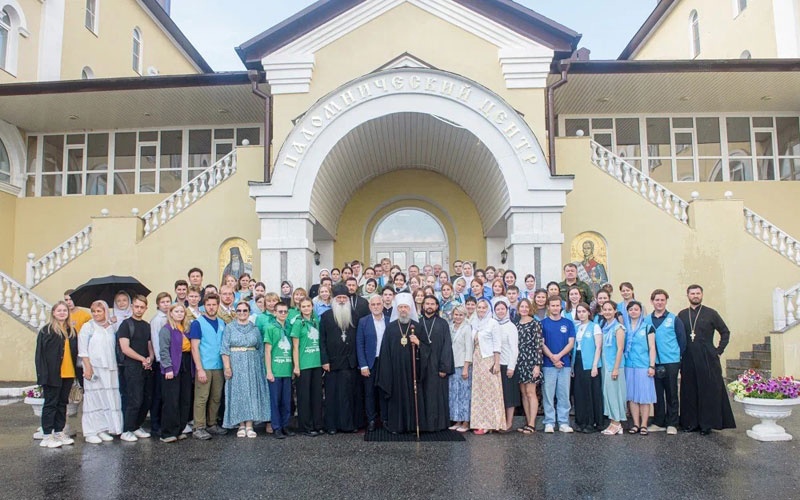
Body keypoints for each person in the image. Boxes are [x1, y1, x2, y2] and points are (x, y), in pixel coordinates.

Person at [677, 285, 736, 435]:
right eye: (692, 293)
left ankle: (706, 424)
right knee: (689, 390)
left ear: (702, 295)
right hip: (688, 357)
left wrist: (718, 351)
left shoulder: (711, 313)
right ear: (687, 295)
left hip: (707, 358)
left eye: (698, 293)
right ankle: (690, 423)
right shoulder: (682, 314)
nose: (695, 296)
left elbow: (725, 332)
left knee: (707, 391)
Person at [221, 301, 269, 439]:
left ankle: (250, 424)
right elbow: (224, 349)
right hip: (236, 363)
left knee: (251, 393)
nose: (242, 313)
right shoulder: (229, 328)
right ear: (236, 312)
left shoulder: (254, 328)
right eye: (239, 310)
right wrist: (227, 367)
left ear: (249, 312)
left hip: (252, 364)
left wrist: (260, 368)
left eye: (245, 310)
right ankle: (241, 424)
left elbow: (260, 348)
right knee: (238, 393)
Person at [319, 284, 363, 434]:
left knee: (349, 395)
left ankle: (349, 424)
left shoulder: (355, 316)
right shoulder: (326, 317)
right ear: (334, 299)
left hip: (350, 362)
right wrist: (324, 360)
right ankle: (332, 426)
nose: (343, 300)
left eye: (345, 298)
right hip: (332, 363)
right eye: (340, 298)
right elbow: (322, 340)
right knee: (332, 395)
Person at [375, 293, 421, 434]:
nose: (403, 310)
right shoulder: (391, 328)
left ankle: (412, 426)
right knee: (395, 398)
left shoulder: (417, 327)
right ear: (397, 309)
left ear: (410, 309)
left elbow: (425, 350)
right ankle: (396, 426)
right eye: (400, 307)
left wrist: (418, 344)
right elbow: (385, 351)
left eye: (405, 307)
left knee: (412, 397)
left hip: (412, 370)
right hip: (395, 370)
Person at [78, 300, 123, 444]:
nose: (96, 314)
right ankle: (91, 431)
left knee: (107, 397)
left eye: (99, 311)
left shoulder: (110, 327)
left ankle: (104, 428)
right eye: (94, 311)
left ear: (105, 311)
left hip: (110, 367)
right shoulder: (88, 327)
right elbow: (83, 350)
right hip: (94, 368)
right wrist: (88, 367)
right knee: (93, 399)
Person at [35, 301, 78, 448]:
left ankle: (59, 432)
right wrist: (42, 375)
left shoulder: (71, 331)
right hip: (52, 374)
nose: (62, 313)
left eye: (64, 310)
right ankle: (47, 435)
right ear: (53, 313)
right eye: (59, 310)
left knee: (62, 404)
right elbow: (39, 355)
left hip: (68, 373)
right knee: (50, 404)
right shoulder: (46, 331)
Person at [645, 289, 686, 435]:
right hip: (654, 363)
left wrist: (677, 358)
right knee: (656, 393)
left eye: (662, 300)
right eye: (657, 300)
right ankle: (658, 421)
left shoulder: (674, 319)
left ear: (666, 301)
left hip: (671, 362)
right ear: (652, 302)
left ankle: (672, 423)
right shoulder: (647, 320)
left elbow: (682, 341)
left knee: (671, 392)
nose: (659, 302)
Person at [189, 293, 228, 440]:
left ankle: (212, 423)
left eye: (214, 305)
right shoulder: (197, 323)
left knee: (216, 397)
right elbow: (194, 347)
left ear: (218, 306)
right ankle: (199, 427)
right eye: (208, 305)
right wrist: (199, 369)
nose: (211, 307)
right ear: (204, 306)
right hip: (205, 365)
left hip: (218, 366)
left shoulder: (222, 323)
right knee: (201, 397)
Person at [118, 295, 154, 442]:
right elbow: (125, 348)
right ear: (132, 307)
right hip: (131, 367)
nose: (139, 309)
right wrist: (142, 359)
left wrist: (150, 358)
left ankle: (136, 426)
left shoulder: (146, 325)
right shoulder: (126, 325)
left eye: (142, 307)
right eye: (137, 306)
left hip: (146, 367)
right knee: (135, 399)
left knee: (146, 399)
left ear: (146, 308)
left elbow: (149, 344)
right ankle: (126, 429)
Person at [417, 295, 455, 431]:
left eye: (432, 304)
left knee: (437, 396)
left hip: (438, 366)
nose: (429, 306)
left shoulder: (443, 323)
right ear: (423, 306)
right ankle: (424, 425)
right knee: (424, 396)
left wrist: (444, 367)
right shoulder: (418, 323)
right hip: (422, 367)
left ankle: (437, 425)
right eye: (427, 303)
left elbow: (447, 346)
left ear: (437, 306)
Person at [158, 303, 194, 443]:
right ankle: (167, 432)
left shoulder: (185, 328)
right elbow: (164, 350)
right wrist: (168, 368)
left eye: (182, 312)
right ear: (171, 313)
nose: (179, 314)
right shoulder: (166, 329)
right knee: (171, 400)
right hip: (173, 365)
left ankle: (179, 429)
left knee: (184, 399)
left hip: (185, 363)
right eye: (176, 311)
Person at [468, 298, 505, 434]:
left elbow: (497, 344)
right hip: (477, 359)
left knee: (491, 392)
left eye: (484, 307)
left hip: (489, 359)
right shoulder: (474, 323)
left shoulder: (492, 323)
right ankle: (480, 422)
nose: (481, 310)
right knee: (479, 392)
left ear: (488, 309)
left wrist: (496, 362)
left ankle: (491, 423)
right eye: (479, 307)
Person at [541, 294, 575, 433]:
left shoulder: (568, 323)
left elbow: (571, 343)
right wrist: (552, 357)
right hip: (548, 365)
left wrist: (559, 356)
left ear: (561, 306)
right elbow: (541, 343)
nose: (555, 308)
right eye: (552, 305)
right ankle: (549, 422)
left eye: (557, 305)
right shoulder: (543, 323)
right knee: (548, 394)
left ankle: (563, 422)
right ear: (548, 307)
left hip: (564, 364)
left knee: (563, 394)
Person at [357, 295, 390, 432]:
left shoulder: (389, 321)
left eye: (378, 304)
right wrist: (363, 365)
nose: (376, 306)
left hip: (385, 362)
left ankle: (385, 420)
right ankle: (371, 420)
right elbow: (359, 344)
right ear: (369, 306)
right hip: (370, 363)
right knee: (369, 393)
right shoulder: (363, 322)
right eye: (373, 304)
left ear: (383, 305)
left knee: (384, 391)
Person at [624, 301, 657, 435]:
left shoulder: (647, 327)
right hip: (629, 365)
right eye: (631, 309)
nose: (633, 311)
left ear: (641, 311)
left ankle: (644, 424)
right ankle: (635, 424)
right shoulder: (625, 328)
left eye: (636, 309)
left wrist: (652, 365)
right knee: (632, 396)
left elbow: (652, 347)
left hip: (643, 365)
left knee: (644, 396)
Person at [291, 298, 323, 436]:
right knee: (304, 397)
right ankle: (306, 427)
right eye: (303, 306)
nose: (306, 308)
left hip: (316, 363)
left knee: (317, 396)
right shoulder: (298, 323)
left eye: (308, 306)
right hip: (304, 365)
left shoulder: (316, 321)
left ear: (312, 306)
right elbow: (295, 346)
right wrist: (296, 366)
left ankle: (318, 424)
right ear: (299, 308)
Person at [571, 303, 603, 433]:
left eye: (584, 311)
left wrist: (595, 365)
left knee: (591, 394)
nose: (581, 314)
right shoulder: (577, 327)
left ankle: (592, 422)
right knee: (579, 393)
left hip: (590, 363)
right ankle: (581, 421)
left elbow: (598, 347)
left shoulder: (595, 327)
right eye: (579, 312)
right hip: (578, 361)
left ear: (589, 312)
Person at [599, 301, 627, 435]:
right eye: (605, 309)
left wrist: (615, 368)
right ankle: (613, 422)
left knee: (615, 394)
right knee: (608, 394)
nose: (607, 312)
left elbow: (620, 348)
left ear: (615, 311)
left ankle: (617, 422)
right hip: (606, 365)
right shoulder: (604, 326)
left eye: (610, 309)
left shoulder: (618, 328)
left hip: (614, 366)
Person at [515, 299, 542, 434]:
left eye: (526, 307)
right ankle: (527, 421)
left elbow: (538, 345)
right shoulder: (516, 324)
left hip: (531, 361)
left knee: (531, 393)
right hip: (519, 361)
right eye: (522, 307)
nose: (524, 309)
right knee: (524, 394)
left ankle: (532, 424)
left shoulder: (534, 323)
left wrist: (537, 365)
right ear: (518, 309)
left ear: (530, 308)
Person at [149, 291, 172, 437]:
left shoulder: (171, 317)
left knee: (166, 394)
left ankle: (164, 422)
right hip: (161, 361)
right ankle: (155, 424)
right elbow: (156, 341)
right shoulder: (157, 320)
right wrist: (160, 360)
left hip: (169, 360)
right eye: (163, 302)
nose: (166, 304)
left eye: (168, 301)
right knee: (158, 394)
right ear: (158, 304)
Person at [494, 299, 519, 433]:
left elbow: (514, 348)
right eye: (498, 309)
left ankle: (509, 423)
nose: (500, 311)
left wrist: (511, 366)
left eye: (503, 309)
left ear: (507, 310)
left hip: (507, 364)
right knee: (499, 395)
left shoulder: (511, 326)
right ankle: (500, 422)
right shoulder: (493, 324)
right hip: (496, 365)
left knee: (509, 396)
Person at [448, 305, 472, 432]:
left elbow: (469, 349)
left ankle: (466, 422)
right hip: (452, 364)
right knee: (454, 394)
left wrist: (466, 367)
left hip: (462, 365)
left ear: (465, 315)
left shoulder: (467, 328)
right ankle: (457, 420)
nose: (458, 317)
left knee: (464, 394)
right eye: (456, 314)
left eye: (460, 315)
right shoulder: (451, 327)